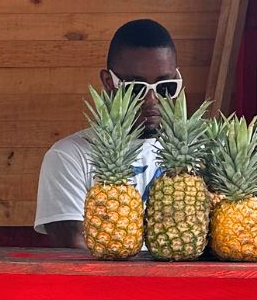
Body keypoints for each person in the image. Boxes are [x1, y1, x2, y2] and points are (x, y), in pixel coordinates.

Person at [34, 18, 183, 250]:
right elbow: (75, 247)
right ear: (108, 82)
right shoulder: (68, 157)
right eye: (136, 88)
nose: (151, 101)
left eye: (165, 87)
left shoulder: (198, 157)